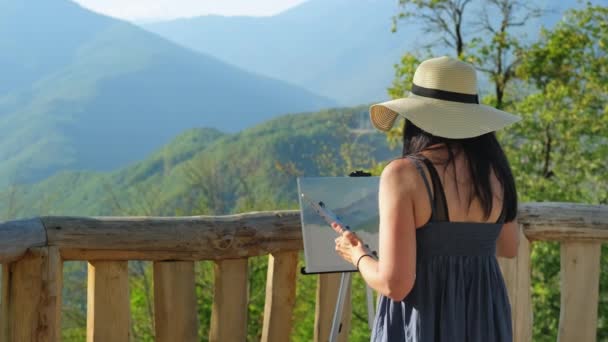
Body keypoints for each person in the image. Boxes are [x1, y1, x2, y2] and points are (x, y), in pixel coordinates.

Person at [332, 56, 520, 341]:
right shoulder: (496, 173)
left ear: (415, 117)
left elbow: (396, 285)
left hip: (424, 322)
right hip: (484, 321)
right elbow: (508, 246)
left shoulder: (404, 174)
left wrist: (356, 255)